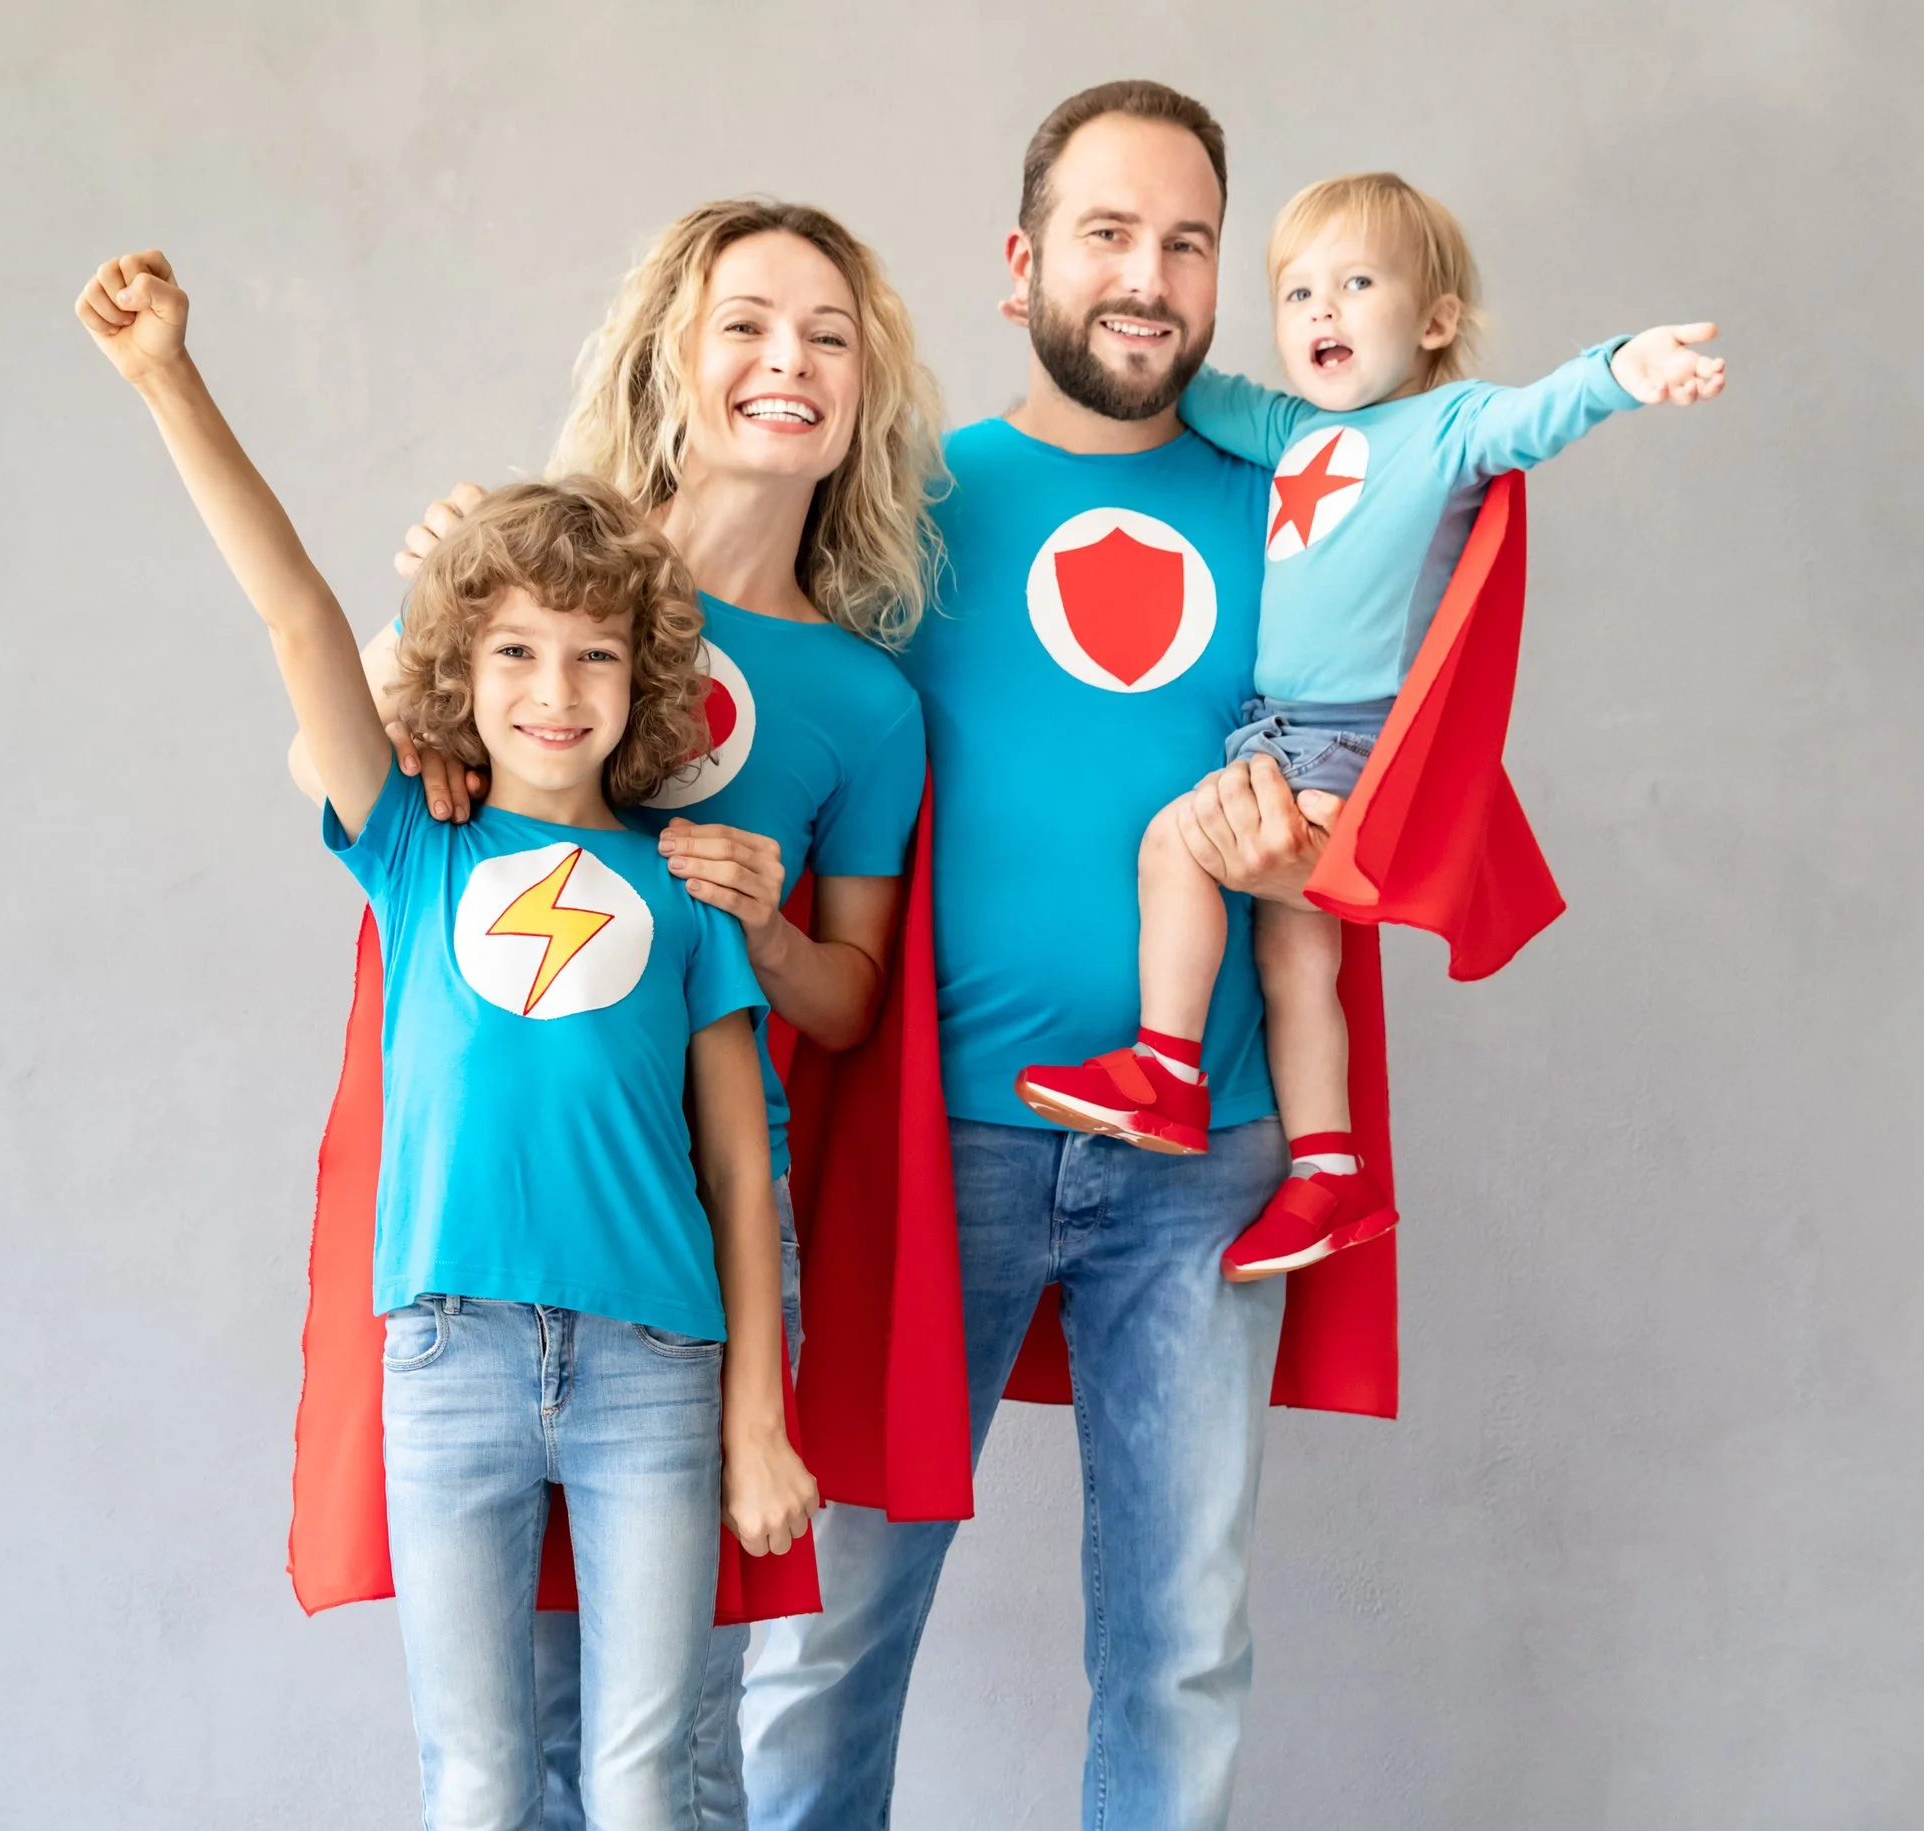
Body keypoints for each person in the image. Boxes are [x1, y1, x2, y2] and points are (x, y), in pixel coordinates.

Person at [75, 250, 818, 1831]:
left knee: (639, 1776)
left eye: (597, 654)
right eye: (517, 654)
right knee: (473, 1778)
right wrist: (166, 379)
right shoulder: (416, 846)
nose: (558, 690)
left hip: (653, 1371)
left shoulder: (686, 890)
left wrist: (757, 1414)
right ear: (461, 678)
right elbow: (296, 617)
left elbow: (747, 1174)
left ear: (647, 678)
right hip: (451, 1358)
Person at [739, 80, 1331, 1831]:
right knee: (831, 1626)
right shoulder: (897, 504)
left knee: (1182, 1642)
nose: (1146, 277)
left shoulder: (1301, 500)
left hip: (1203, 1155)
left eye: (1186, 243)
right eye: (1107, 234)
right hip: (938, 1142)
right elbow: (707, 660)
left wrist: (1310, 825)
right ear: (1021, 264)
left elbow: (1402, 745)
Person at [312, 199, 944, 1830]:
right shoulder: (549, 573)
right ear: (675, 345)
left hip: (690, 1241)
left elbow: (853, 998)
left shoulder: (865, 700)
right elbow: (348, 761)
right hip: (489, 1216)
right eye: (747, 320)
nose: (785, 361)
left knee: (677, 1747)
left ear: (866, 388)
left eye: (827, 334)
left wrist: (764, 918)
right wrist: (417, 687)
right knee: (503, 1735)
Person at [1015, 169, 1727, 1280]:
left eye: (1354, 284)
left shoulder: (1451, 425)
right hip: (1275, 733)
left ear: (1434, 319)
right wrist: (1080, 316)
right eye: (1296, 294)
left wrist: (1626, 368)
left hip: (1351, 741)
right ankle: (1329, 1174)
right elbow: (1192, 390)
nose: (1322, 313)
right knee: (1297, 958)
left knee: (1175, 848)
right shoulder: (1289, 427)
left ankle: (1165, 1069)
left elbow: (1547, 409)